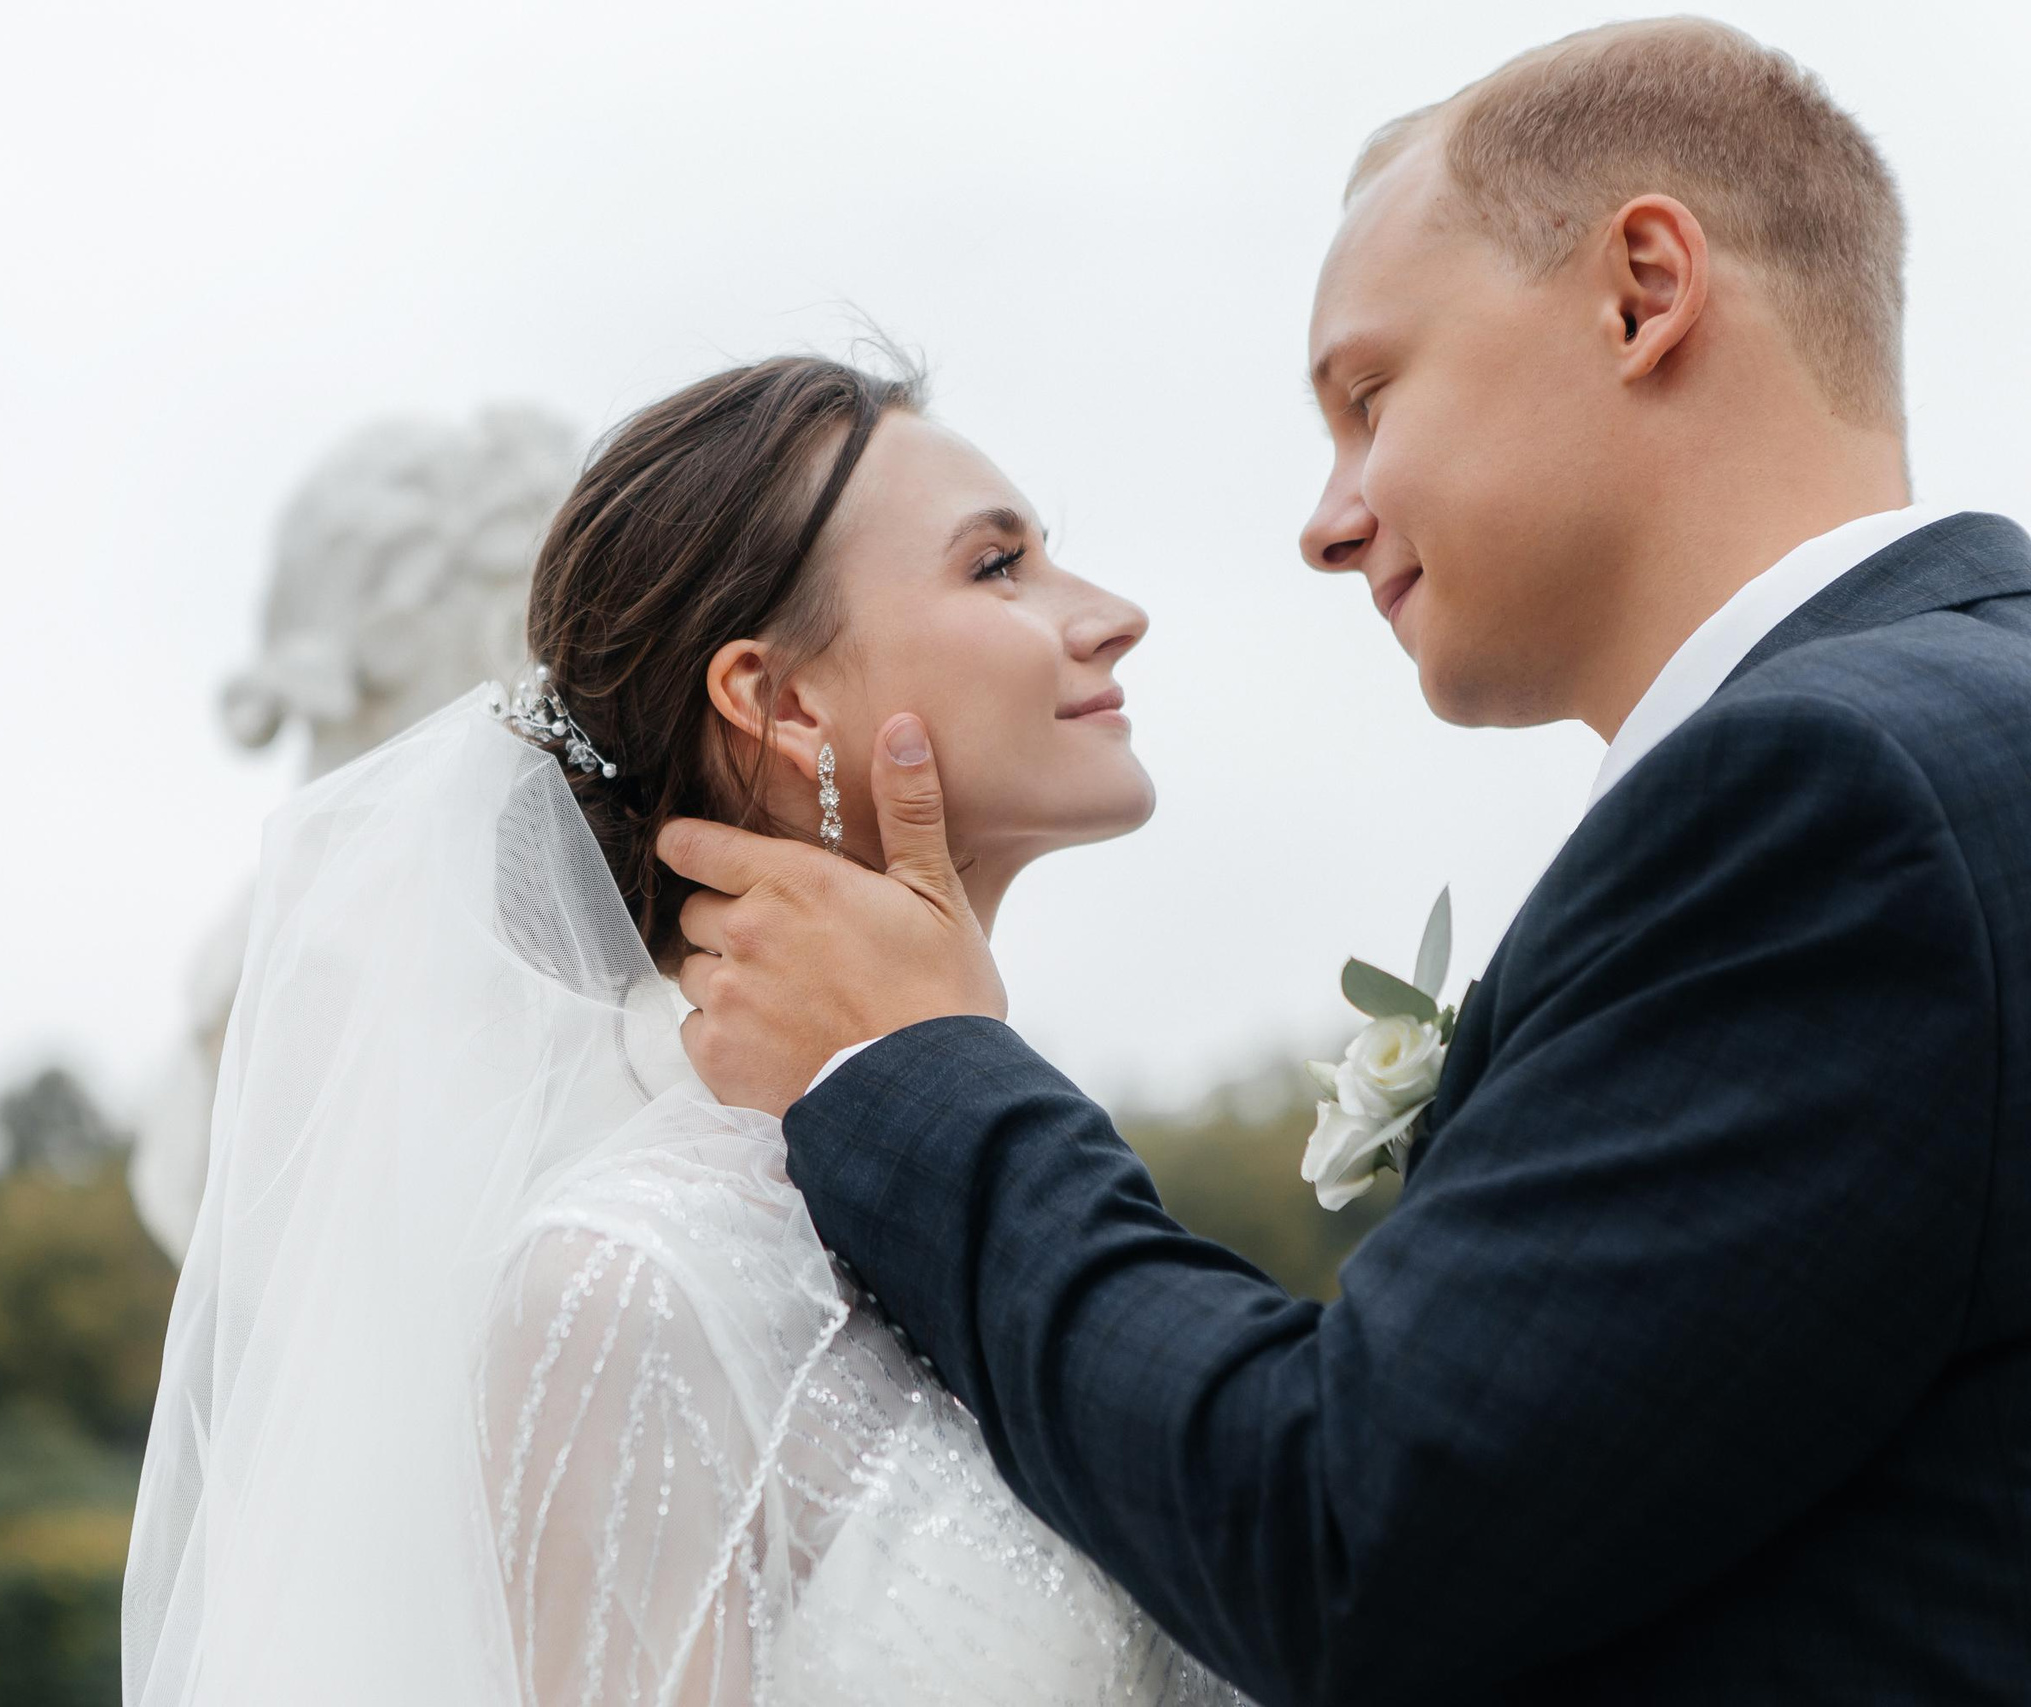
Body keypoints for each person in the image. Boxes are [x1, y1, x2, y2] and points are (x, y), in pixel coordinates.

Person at [662, 20, 2031, 1705]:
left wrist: (914, 1067)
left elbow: (1353, 1533)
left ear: (1642, 292)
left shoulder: (1834, 798)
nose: (1326, 518)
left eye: (1369, 395)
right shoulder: (1957, 737)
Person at [122, 356, 1257, 1703]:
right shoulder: (630, 1284)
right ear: (776, 703)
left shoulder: (1035, 1185)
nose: (1113, 616)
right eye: (998, 566)